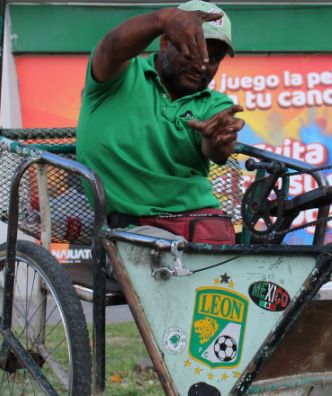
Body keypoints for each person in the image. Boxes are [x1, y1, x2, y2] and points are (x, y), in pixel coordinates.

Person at [76, 0, 245, 244]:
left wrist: (217, 140)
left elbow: (218, 150)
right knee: (174, 262)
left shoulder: (214, 104)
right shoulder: (120, 76)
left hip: (202, 225)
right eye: (193, 49)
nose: (202, 64)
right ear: (165, 42)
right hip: (131, 231)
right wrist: (162, 19)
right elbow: (111, 47)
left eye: (214, 57)